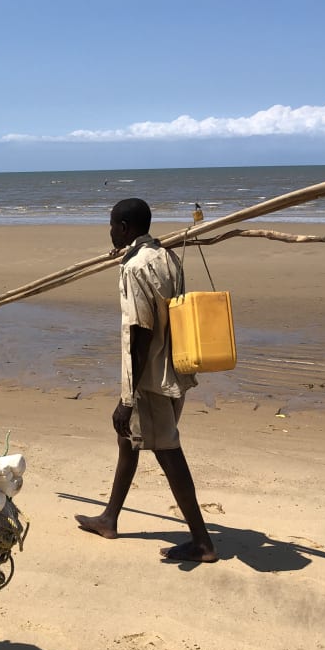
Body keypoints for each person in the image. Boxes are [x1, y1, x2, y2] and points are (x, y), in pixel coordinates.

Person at [75, 198, 217, 563]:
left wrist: (127, 397)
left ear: (124, 227)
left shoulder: (135, 267)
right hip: (174, 367)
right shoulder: (166, 256)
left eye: (112, 225)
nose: (109, 231)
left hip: (150, 377)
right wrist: (125, 254)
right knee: (129, 440)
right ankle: (109, 518)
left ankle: (202, 542)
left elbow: (140, 331)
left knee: (167, 450)